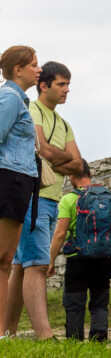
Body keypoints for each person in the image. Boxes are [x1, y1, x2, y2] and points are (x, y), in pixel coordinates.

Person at [6, 61, 83, 340]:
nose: (67, 90)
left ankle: (6, 333)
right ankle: (44, 335)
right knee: (37, 265)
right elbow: (43, 150)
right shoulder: (33, 110)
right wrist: (60, 157)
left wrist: (53, 156)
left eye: (68, 85)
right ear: (44, 86)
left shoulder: (64, 123)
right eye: (61, 84)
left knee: (20, 266)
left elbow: (78, 164)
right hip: (33, 198)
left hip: (51, 200)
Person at [47, 160, 111, 341]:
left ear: (71, 177)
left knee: (75, 303)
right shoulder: (109, 195)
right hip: (103, 258)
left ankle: (74, 344)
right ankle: (98, 343)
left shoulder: (69, 199)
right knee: (99, 303)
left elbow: (60, 233)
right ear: (90, 174)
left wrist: (50, 261)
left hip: (77, 257)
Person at [0, 46, 41, 337]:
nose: (39, 70)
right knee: (2, 261)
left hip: (18, 181)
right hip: (9, 180)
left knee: (4, 261)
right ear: (18, 70)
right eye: (34, 65)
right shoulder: (10, 98)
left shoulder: (18, 100)